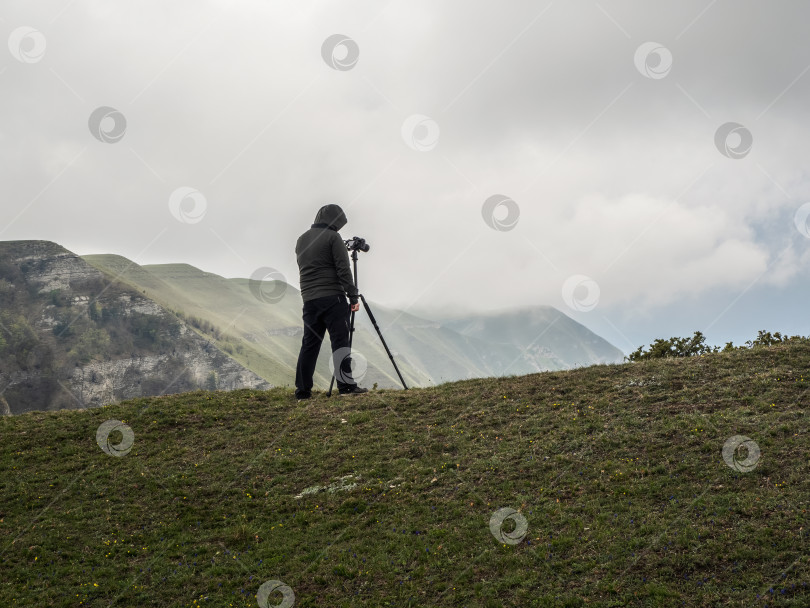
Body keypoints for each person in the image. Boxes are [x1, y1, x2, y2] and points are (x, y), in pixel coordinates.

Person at [294, 204, 369, 400]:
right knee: (340, 342)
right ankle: (346, 387)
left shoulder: (301, 240)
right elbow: (343, 270)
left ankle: (302, 391)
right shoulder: (333, 237)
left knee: (309, 345)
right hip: (333, 299)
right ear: (335, 221)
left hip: (309, 299)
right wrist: (352, 296)